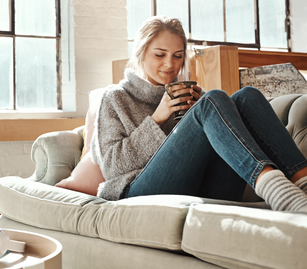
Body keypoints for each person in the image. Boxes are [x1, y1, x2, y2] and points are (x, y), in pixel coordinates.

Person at [90, 15, 307, 212]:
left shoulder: (194, 96)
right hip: (139, 192)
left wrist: (199, 112)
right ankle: (277, 191)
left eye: (177, 56)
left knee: (246, 96)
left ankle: (303, 185)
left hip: (203, 189)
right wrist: (157, 118)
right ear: (141, 52)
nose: (169, 64)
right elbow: (111, 168)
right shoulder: (115, 98)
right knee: (211, 100)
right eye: (159, 55)